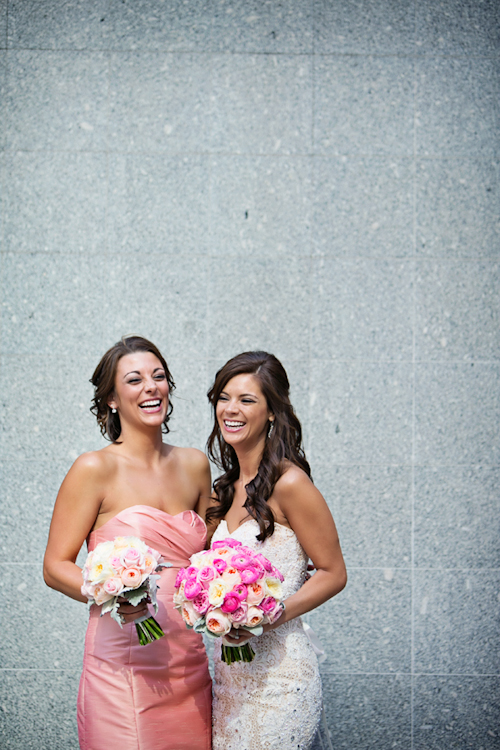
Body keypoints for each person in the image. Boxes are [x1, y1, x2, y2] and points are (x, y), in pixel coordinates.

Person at [43, 336, 212, 750]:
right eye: (134, 380)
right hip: (123, 662)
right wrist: (108, 591)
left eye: (158, 376)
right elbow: (55, 566)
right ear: (112, 400)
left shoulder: (194, 465)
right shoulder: (93, 468)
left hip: (188, 662)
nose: (151, 387)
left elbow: (210, 560)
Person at [206, 351, 347, 750]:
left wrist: (267, 617)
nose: (231, 409)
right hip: (229, 683)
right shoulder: (223, 491)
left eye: (247, 400)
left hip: (280, 679)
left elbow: (334, 573)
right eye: (224, 397)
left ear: (271, 412)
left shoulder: (290, 484)